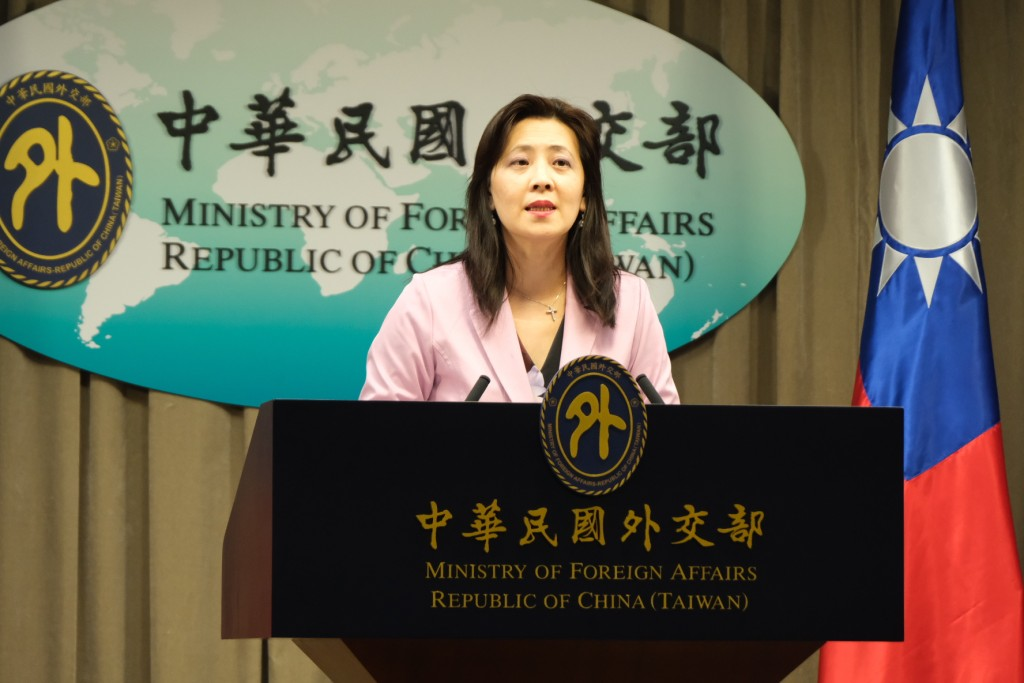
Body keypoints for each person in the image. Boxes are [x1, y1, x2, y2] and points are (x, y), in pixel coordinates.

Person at [360, 94, 679, 403]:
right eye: (521, 162)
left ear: (585, 195)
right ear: (488, 193)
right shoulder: (429, 301)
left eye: (561, 163)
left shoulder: (630, 302)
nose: (542, 179)